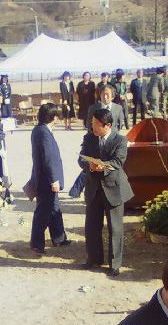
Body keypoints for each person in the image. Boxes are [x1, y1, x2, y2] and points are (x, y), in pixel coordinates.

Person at [78, 109, 134, 276]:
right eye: (92, 123)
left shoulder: (120, 140)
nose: (93, 127)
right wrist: (89, 165)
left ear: (107, 125)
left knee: (115, 228)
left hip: (114, 188)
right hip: (94, 188)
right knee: (91, 226)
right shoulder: (89, 138)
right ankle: (93, 258)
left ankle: (114, 264)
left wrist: (101, 165)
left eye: (96, 124)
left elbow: (118, 161)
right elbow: (81, 158)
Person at [29, 103, 69, 254]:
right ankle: (36, 243)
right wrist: (54, 180)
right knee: (43, 212)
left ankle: (59, 237)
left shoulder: (40, 129)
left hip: (44, 178)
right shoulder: (43, 132)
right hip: (46, 180)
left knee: (55, 209)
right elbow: (48, 158)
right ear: (54, 117)